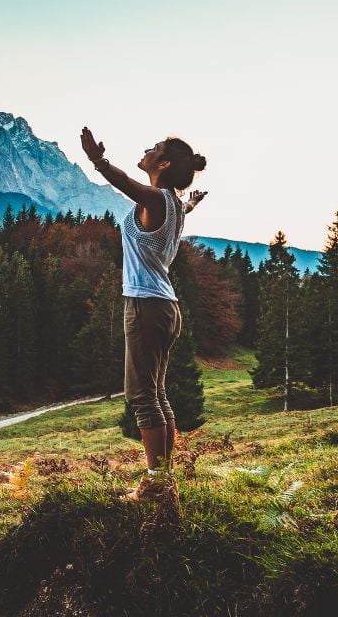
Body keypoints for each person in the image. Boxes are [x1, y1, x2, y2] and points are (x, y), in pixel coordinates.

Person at [79, 127, 207, 502]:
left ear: (163, 164)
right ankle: (164, 480)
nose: (147, 149)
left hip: (146, 306)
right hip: (165, 306)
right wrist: (193, 203)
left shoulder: (156, 198)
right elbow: (179, 207)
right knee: (156, 393)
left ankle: (154, 486)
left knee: (140, 395)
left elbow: (126, 184)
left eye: (155, 149)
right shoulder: (173, 205)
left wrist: (98, 161)